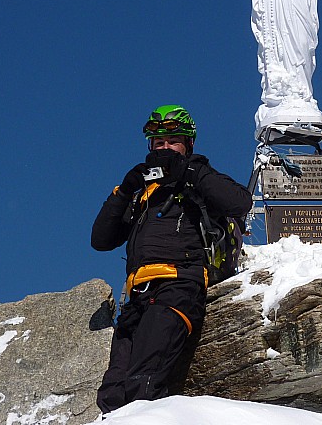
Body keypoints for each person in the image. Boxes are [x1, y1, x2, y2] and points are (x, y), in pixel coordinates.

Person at [91, 104, 252, 413]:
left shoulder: (197, 176)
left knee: (143, 383)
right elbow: (101, 240)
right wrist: (124, 191)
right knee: (112, 394)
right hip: (136, 298)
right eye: (158, 142)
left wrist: (189, 170)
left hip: (177, 288)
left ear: (188, 144)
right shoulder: (143, 192)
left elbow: (239, 202)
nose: (164, 148)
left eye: (172, 141)